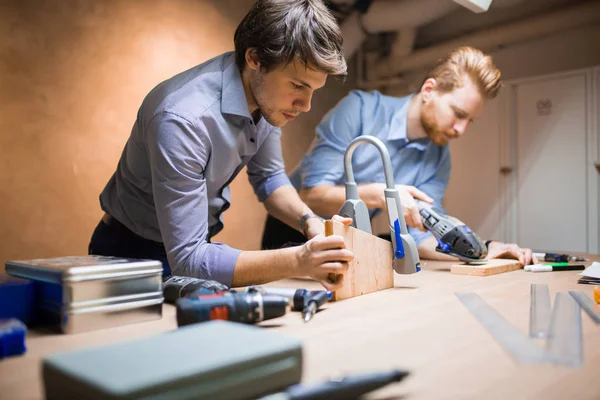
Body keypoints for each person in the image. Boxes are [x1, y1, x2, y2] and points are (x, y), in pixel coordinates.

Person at [88, 0, 355, 290]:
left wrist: (310, 222)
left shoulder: (266, 99)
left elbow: (269, 178)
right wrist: (300, 260)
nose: (305, 106)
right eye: (297, 86)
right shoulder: (182, 120)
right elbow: (189, 259)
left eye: (314, 89)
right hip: (129, 255)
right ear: (255, 58)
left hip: (192, 249)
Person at [262, 46, 537, 266]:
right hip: (293, 227)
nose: (461, 129)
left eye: (470, 121)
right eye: (458, 114)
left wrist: (481, 252)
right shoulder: (358, 110)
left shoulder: (438, 156)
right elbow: (312, 195)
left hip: (349, 236)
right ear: (429, 90)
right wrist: (383, 195)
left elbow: (420, 235)